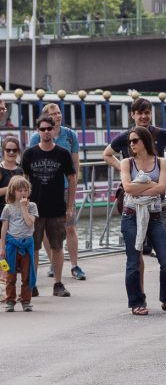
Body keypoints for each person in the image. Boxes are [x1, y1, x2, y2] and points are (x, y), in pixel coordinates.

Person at [103, 97, 166, 310]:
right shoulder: (126, 139)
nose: (143, 116)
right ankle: (139, 299)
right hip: (134, 204)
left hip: (158, 204)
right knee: (136, 256)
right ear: (132, 115)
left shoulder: (160, 134)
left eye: (147, 112)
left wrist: (163, 170)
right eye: (139, 112)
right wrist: (125, 170)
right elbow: (107, 154)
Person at [121, 126, 166, 315]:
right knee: (133, 261)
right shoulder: (127, 163)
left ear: (145, 141)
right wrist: (149, 184)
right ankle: (137, 302)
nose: (131, 144)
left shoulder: (161, 162)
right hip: (131, 215)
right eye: (130, 141)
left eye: (135, 140)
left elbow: (162, 188)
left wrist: (143, 186)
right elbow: (128, 188)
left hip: (154, 216)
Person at [21, 116, 77, 297]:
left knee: (57, 246)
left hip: (56, 208)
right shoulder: (29, 154)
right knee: (33, 247)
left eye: (48, 129)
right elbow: (24, 180)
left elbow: (72, 178)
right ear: (38, 131)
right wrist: (23, 204)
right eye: (42, 129)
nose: (46, 132)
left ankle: (58, 283)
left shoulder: (62, 153)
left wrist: (69, 205)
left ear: (54, 130)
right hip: (34, 209)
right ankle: (32, 283)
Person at [30, 104, 85, 281]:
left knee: (70, 226)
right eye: (53, 114)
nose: (58, 116)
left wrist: (73, 190)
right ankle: (54, 264)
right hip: (43, 190)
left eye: (59, 112)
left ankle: (75, 266)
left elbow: (75, 166)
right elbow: (30, 165)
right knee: (46, 230)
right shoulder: (35, 137)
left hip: (65, 189)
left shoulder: (70, 136)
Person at [0, 176, 38, 312]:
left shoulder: (32, 206)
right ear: (12, 191)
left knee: (27, 274)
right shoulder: (8, 208)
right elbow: (4, 229)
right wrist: (2, 248)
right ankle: (10, 300)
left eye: (25, 190)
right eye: (19, 190)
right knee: (10, 274)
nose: (23, 193)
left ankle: (26, 300)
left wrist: (24, 208)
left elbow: (29, 223)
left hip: (27, 243)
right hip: (11, 244)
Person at [0, 137, 24, 302]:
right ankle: (3, 288)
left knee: (10, 255)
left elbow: (24, 191)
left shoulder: (20, 171)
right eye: (7, 150)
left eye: (13, 150)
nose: (10, 153)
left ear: (18, 152)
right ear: (3, 151)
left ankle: (8, 288)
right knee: (1, 254)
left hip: (16, 218)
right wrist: (11, 188)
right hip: (1, 215)